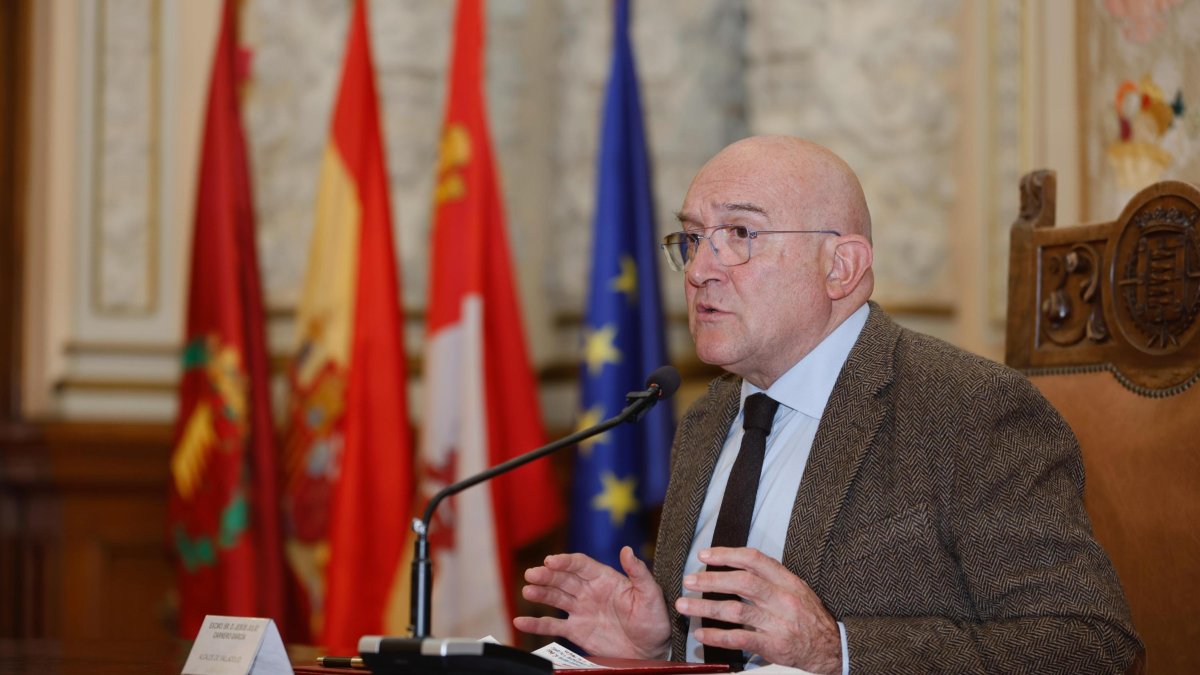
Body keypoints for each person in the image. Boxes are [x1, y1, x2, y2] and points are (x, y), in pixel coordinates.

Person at [514, 136, 1142, 673]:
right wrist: (657, 651)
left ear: (840, 266)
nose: (700, 268)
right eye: (693, 236)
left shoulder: (971, 410)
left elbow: (1089, 646)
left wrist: (838, 650)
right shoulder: (707, 420)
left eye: (739, 233)